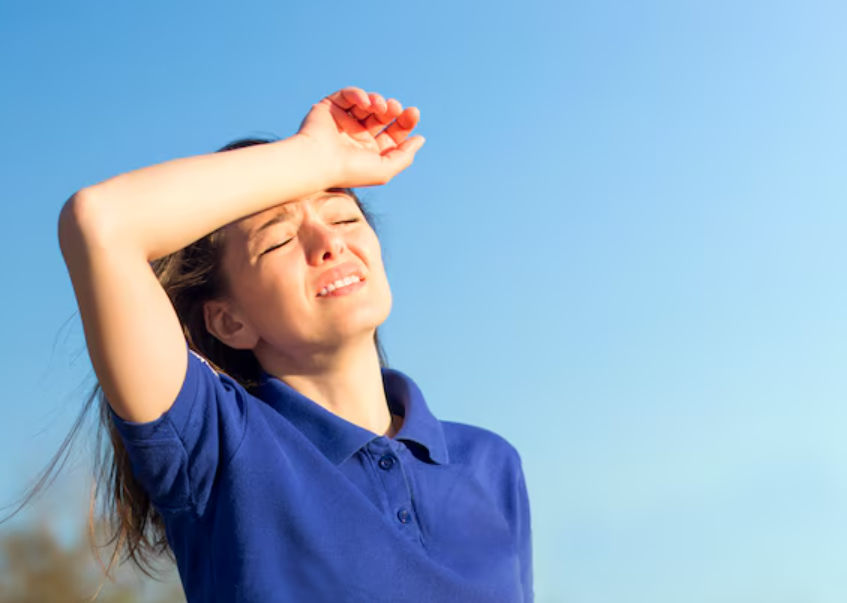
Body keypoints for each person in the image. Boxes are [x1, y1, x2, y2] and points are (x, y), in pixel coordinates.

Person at [55, 86, 533, 602]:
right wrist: (314, 157)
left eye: (345, 218)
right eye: (279, 240)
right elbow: (100, 222)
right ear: (229, 321)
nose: (330, 243)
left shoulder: (490, 463)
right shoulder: (218, 447)